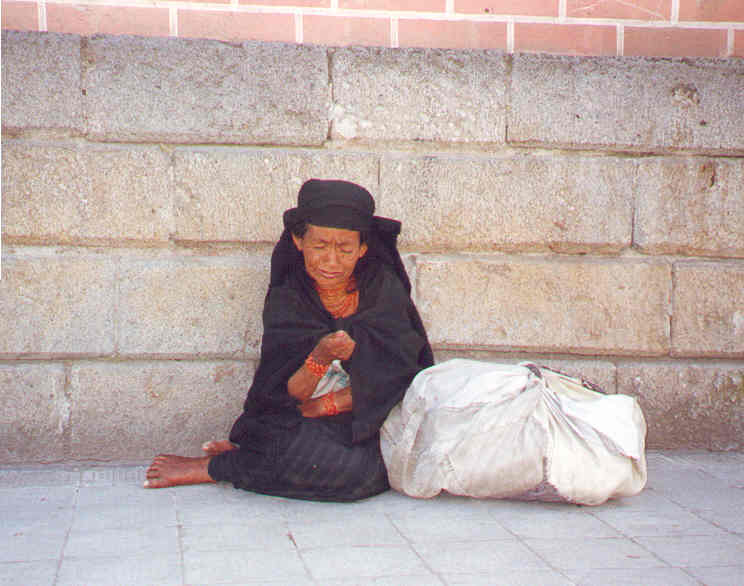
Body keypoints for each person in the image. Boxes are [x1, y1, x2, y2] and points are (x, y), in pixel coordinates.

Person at [145, 179, 433, 501]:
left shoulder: (383, 289)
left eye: (345, 249)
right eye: (320, 246)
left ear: (363, 248)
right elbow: (288, 392)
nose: (331, 262)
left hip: (366, 420)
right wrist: (321, 356)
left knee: (358, 475)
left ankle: (236, 462)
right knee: (298, 448)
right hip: (299, 416)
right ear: (299, 241)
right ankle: (215, 467)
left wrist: (348, 374)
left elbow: (402, 373)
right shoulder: (289, 297)